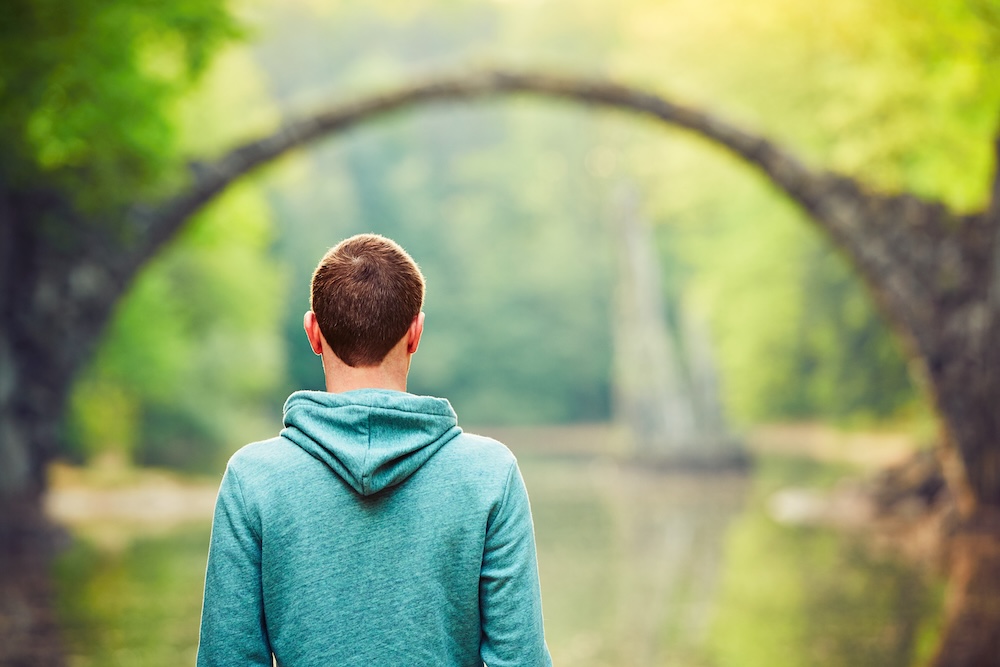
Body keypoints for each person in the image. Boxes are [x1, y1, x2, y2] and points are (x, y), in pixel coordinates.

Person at [196, 233, 551, 667]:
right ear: (415, 332)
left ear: (313, 332)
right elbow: (521, 658)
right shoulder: (489, 473)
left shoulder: (253, 477)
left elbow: (226, 658)